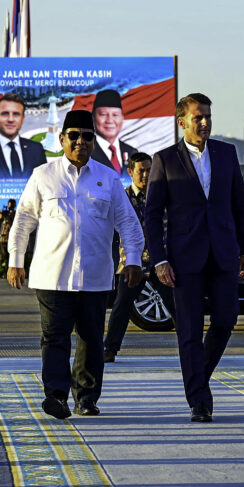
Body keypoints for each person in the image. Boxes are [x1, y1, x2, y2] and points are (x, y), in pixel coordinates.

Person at [7, 109, 144, 419]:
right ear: (62, 139)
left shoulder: (107, 178)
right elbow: (24, 219)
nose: (80, 141)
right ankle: (56, 395)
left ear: (94, 141)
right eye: (74, 136)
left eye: (87, 136)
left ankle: (86, 397)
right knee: (54, 337)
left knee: (91, 339)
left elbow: (129, 223)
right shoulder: (44, 175)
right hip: (52, 276)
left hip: (95, 276)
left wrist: (133, 259)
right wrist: (16, 260)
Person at [145, 93, 244, 423]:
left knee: (226, 320)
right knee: (189, 331)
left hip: (223, 254)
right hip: (183, 259)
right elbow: (152, 215)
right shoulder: (164, 160)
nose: (205, 122)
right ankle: (199, 401)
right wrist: (160, 259)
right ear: (182, 122)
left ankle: (198, 377)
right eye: (198, 117)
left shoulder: (226, 154)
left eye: (208, 116)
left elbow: (240, 206)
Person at [104, 152, 155, 362]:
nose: (145, 175)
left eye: (149, 170)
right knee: (122, 305)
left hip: (159, 262)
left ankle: (192, 348)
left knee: (177, 307)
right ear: (131, 172)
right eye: (141, 170)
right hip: (131, 264)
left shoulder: (160, 196)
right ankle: (110, 348)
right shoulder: (121, 197)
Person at [90, 89, 140, 174]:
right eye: (103, 114)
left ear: (122, 118)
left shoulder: (132, 153)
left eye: (115, 115)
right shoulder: (84, 153)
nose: (109, 120)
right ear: (93, 118)